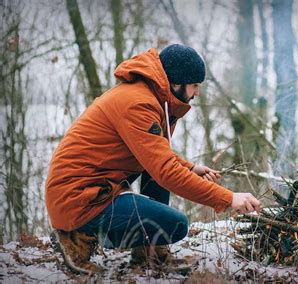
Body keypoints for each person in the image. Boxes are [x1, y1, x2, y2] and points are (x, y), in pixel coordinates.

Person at [45, 44, 261, 274]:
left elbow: (154, 151)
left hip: (93, 190)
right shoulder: (138, 103)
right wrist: (228, 199)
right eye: (195, 85)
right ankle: (75, 238)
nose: (197, 93)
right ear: (176, 83)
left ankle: (150, 254)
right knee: (176, 224)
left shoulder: (149, 96)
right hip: (78, 199)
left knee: (155, 171)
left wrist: (190, 167)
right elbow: (165, 170)